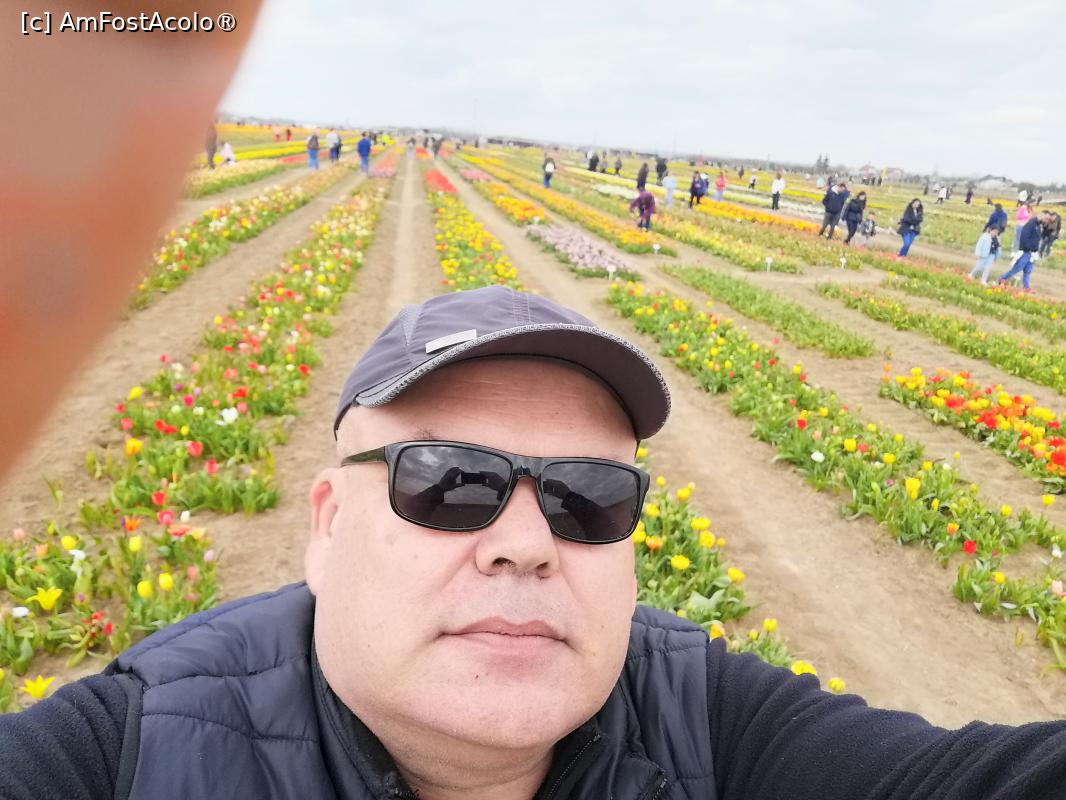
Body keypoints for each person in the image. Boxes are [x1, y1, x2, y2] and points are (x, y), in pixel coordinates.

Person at [4, 285, 1066, 800]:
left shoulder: (712, 726)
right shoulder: (129, 754)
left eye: (587, 497)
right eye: (447, 480)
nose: (526, 542)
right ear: (326, 525)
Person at [999, 211, 1050, 290]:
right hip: (1026, 251)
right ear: (1041, 215)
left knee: (1028, 271)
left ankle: (1026, 287)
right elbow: (1024, 237)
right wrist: (1028, 247)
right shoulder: (1031, 224)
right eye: (1046, 218)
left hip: (1033, 253)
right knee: (1017, 268)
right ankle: (1003, 278)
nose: (1047, 221)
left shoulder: (1039, 225)